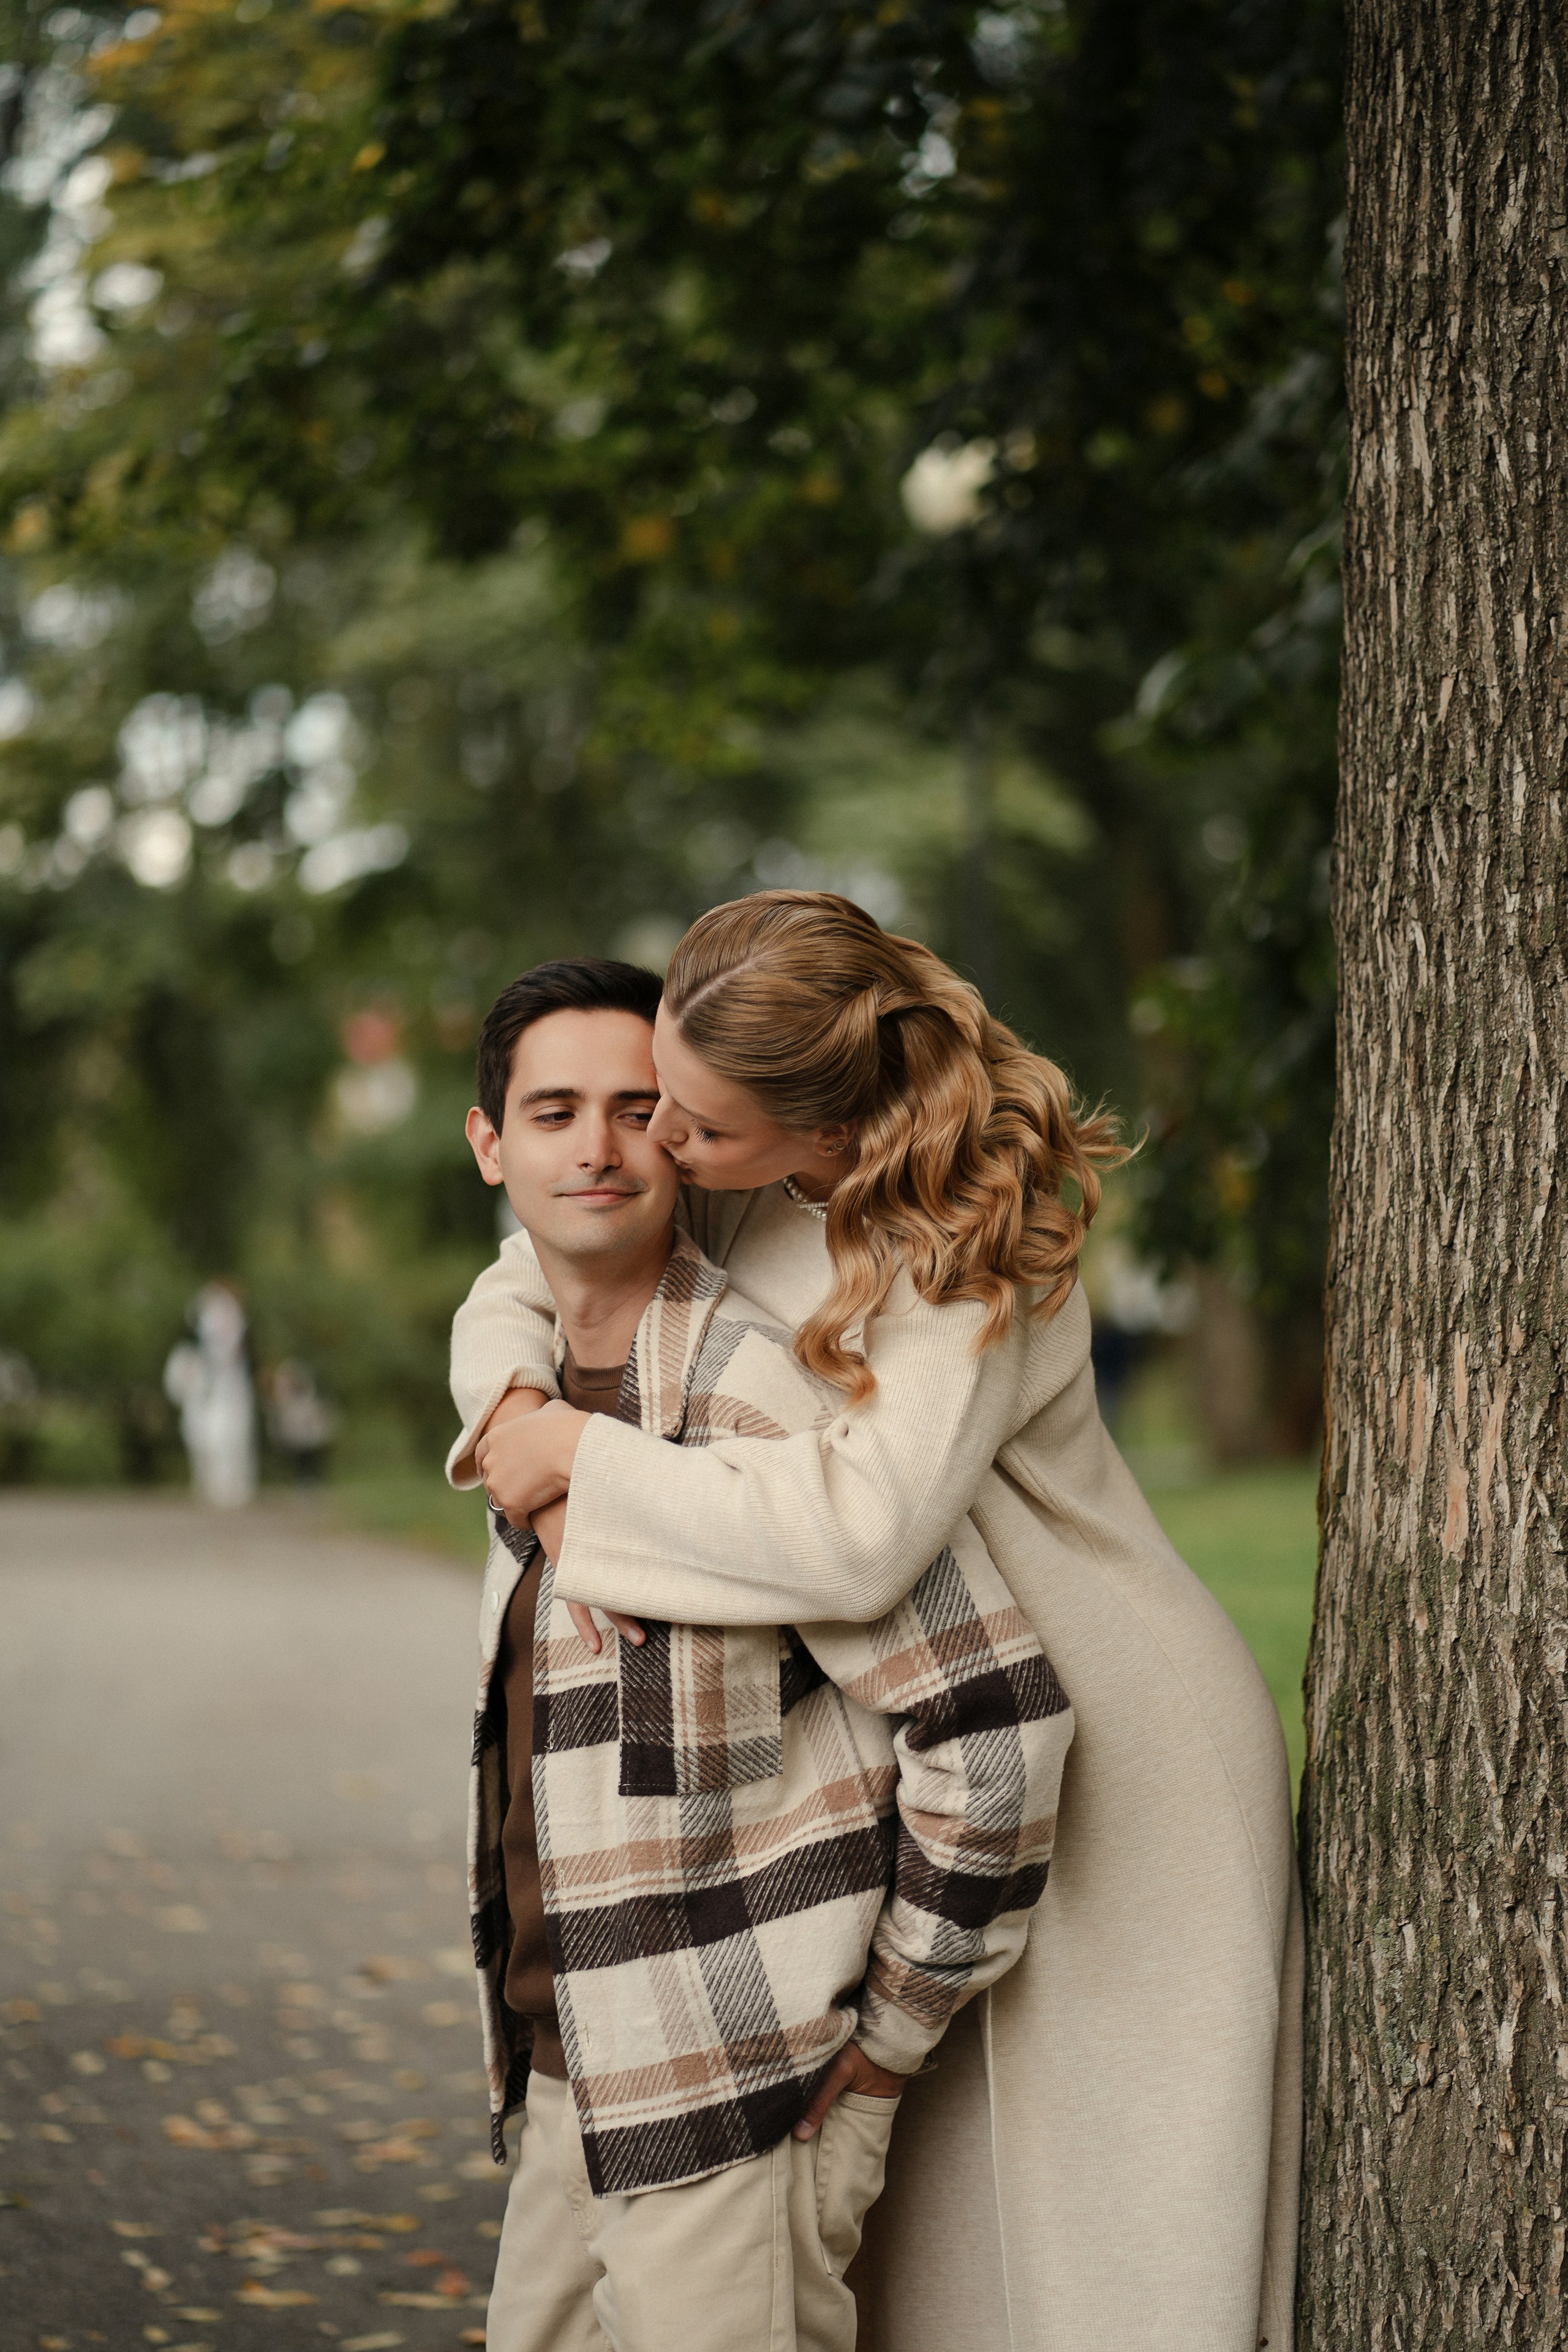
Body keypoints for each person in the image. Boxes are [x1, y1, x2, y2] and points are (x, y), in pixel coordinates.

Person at [454, 892, 1303, 2352]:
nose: (654, 1146)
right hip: (914, 1716)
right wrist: (514, 1407)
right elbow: (527, 1268)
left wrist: (586, 1469)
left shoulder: (961, 1240)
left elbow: (857, 1539)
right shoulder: (732, 1164)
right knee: (886, 2218)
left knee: (1087, 2243)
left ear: (824, 1128)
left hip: (1101, 1737)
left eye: (688, 1124)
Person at [459, 956, 1073, 2352]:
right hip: (565, 2068)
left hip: (728, 2093)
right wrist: (507, 1408)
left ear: (688, 1144)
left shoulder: (751, 1393)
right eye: (554, 1113)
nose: (602, 1148)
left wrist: (890, 2043)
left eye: (640, 1111)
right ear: (490, 1145)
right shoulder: (523, 1401)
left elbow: (996, 1725)